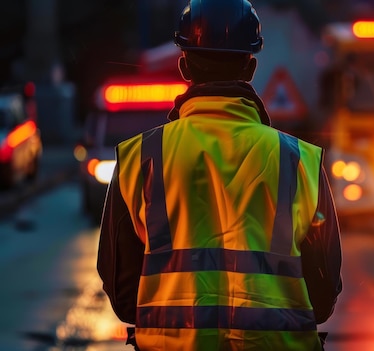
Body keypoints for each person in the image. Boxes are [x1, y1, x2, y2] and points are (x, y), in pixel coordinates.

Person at [96, 0, 343, 350]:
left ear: (184, 65)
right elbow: (322, 298)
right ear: (252, 66)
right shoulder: (299, 160)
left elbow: (123, 297)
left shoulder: (140, 157)